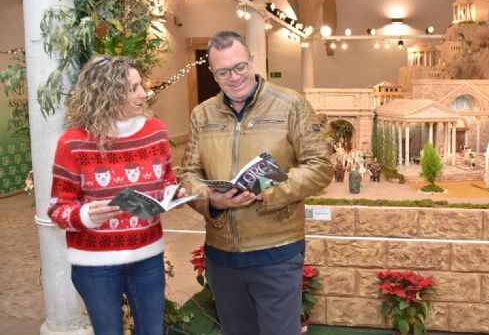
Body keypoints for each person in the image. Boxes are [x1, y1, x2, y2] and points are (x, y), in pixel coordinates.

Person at [179, 31, 333, 335]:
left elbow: (320, 167)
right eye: (223, 72)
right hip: (221, 253)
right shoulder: (202, 114)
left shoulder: (290, 105)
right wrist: (211, 200)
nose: (233, 77)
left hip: (277, 249)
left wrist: (266, 192)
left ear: (252, 60)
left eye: (239, 67)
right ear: (212, 72)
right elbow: (187, 175)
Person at [48, 55, 186, 335]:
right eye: (133, 88)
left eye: (141, 85)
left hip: (148, 258)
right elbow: (57, 209)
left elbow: (166, 180)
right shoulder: (73, 143)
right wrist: (86, 215)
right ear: (107, 94)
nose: (143, 93)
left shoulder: (156, 132)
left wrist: (173, 194)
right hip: (96, 265)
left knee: (153, 331)